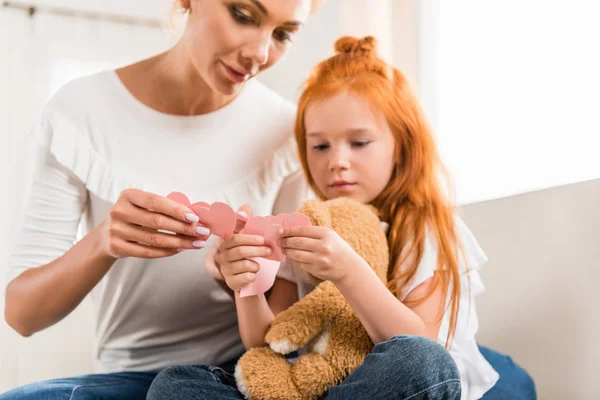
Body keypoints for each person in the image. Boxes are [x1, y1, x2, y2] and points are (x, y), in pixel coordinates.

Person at [147, 36, 536, 399]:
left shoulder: (424, 229)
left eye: (359, 143)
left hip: (390, 383)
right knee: (175, 384)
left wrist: (348, 271)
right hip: (313, 385)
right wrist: (246, 284)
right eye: (319, 146)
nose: (337, 162)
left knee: (422, 362)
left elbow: (420, 343)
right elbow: (268, 344)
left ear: (400, 147)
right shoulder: (305, 228)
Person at [1, 1, 321, 399]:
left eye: (283, 34)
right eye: (243, 15)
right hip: (125, 380)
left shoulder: (287, 132)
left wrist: (237, 280)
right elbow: (22, 314)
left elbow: (289, 324)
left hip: (237, 377)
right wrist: (104, 242)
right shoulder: (79, 111)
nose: (259, 53)